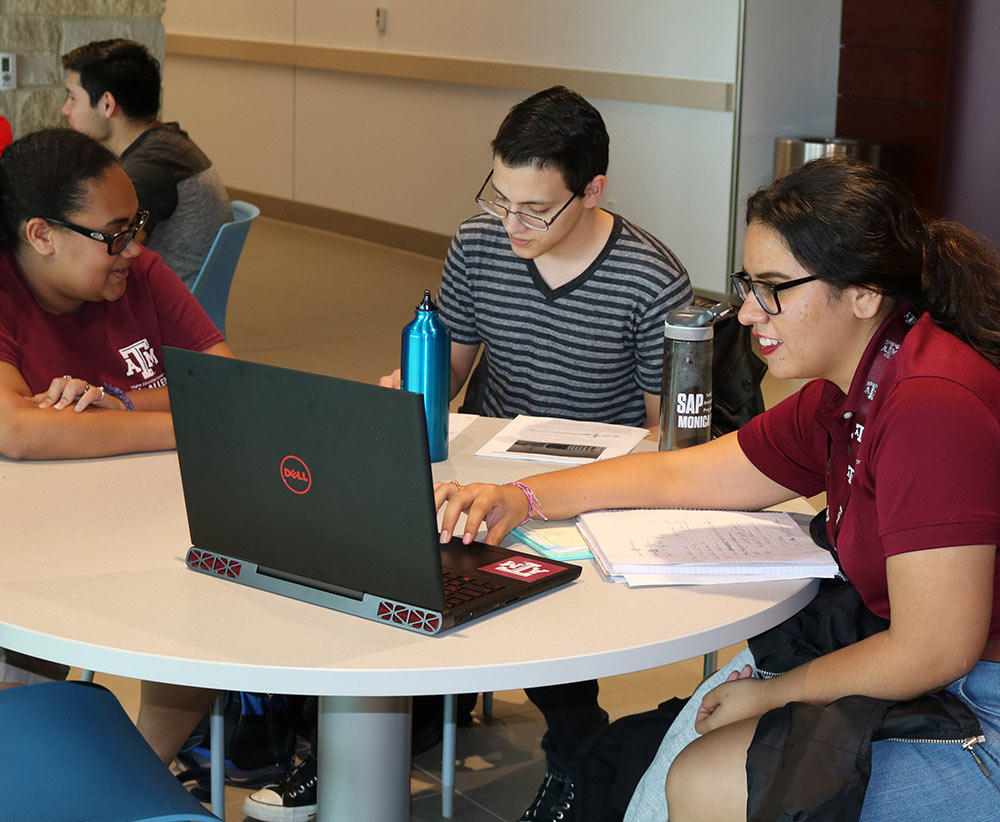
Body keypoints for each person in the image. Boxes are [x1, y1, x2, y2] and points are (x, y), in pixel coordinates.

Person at [436, 156, 1000, 821]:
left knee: (705, 776)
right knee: (689, 748)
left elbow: (934, 648)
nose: (748, 312)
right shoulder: (854, 383)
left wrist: (777, 694)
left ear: (864, 293)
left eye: (773, 288)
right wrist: (524, 496)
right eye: (747, 283)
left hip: (979, 709)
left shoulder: (929, 406)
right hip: (928, 669)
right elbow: (685, 473)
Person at [374, 86, 693, 822]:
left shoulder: (650, 279)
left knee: (517, 563)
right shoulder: (480, 244)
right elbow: (451, 369)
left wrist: (560, 482)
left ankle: (577, 744)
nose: (511, 225)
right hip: (489, 467)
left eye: (536, 209)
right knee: (384, 542)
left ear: (593, 190)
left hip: (590, 488)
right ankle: (381, 724)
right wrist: (410, 385)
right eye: (501, 199)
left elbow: (665, 437)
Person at [0, 127, 233, 764]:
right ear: (41, 236)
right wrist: (182, 422)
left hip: (146, 522)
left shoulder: (141, 276)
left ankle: (137, 775)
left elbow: (227, 388)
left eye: (138, 226)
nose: (135, 248)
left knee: (210, 611)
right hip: (29, 545)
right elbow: (17, 430)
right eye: (114, 234)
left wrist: (120, 403)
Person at [61, 39, 232, 289]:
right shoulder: (164, 144)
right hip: (175, 295)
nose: (66, 109)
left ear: (107, 104)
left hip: (164, 305)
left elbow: (106, 254)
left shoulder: (150, 166)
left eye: (73, 97)